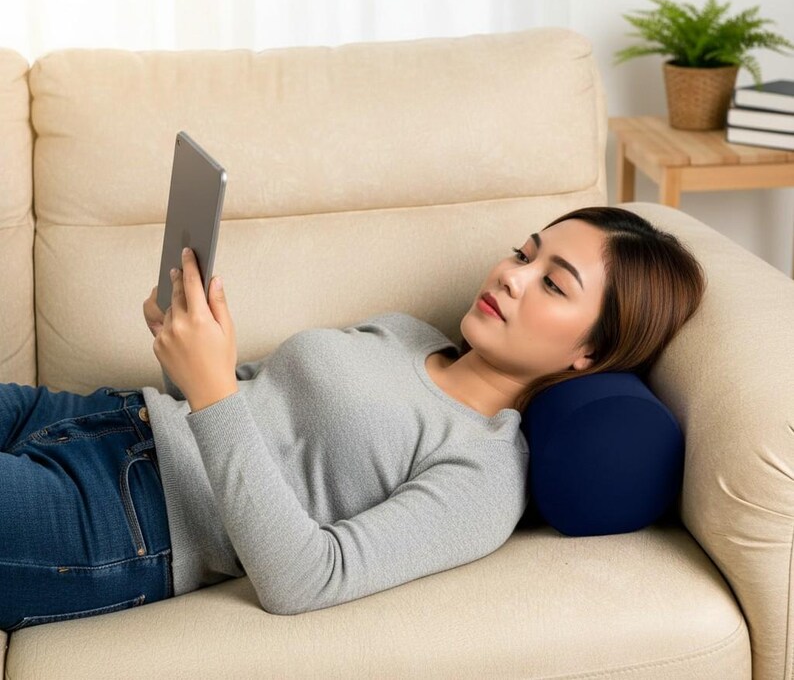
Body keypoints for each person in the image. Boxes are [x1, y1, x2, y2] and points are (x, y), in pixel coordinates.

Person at [0, 205, 706, 629]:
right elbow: (238, 413)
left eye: (552, 283)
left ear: (591, 351)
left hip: (122, 522)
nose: (511, 275)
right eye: (524, 252)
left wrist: (212, 390)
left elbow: (306, 578)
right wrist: (185, 349)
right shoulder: (409, 332)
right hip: (100, 417)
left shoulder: (485, 473)